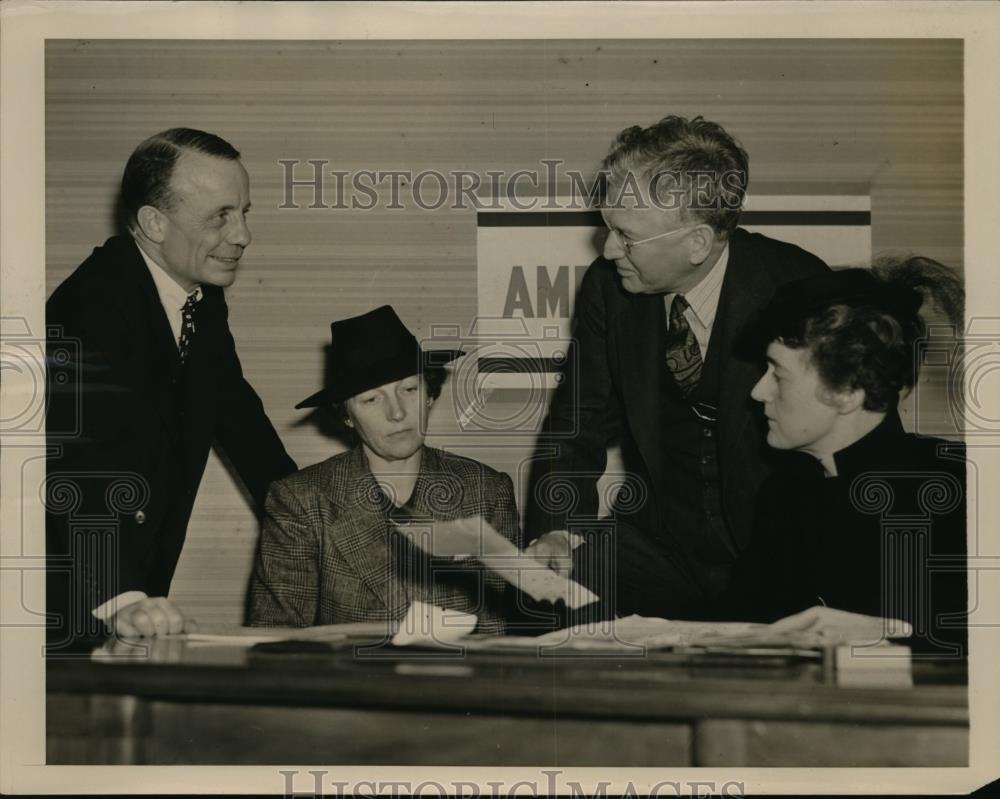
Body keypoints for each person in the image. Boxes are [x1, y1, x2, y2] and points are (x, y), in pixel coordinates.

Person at [525, 115, 828, 620]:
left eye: (626, 235)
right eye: (607, 228)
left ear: (697, 243)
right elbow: (578, 422)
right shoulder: (610, 289)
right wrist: (557, 529)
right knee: (545, 596)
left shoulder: (795, 287)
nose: (608, 250)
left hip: (776, 555)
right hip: (658, 546)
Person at [46, 128, 297, 645]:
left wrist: (323, 511)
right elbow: (71, 464)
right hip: (69, 593)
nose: (243, 234)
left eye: (245, 212)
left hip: (131, 589)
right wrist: (118, 597)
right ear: (153, 223)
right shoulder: (89, 307)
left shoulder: (198, 298)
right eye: (220, 216)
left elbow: (239, 416)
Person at [722, 259, 967, 654]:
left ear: (847, 393)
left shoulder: (960, 488)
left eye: (777, 374)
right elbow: (740, 621)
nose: (758, 392)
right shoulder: (784, 494)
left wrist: (877, 636)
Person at [248, 305, 521, 635]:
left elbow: (498, 636)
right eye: (371, 400)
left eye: (409, 389)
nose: (397, 413)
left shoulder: (486, 491)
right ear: (347, 416)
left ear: (430, 394)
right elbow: (277, 640)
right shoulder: (300, 501)